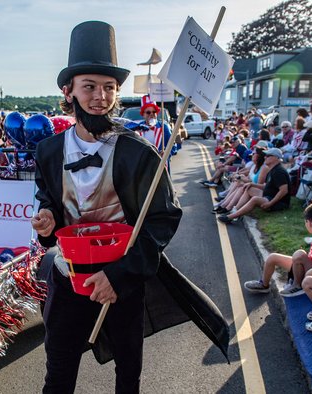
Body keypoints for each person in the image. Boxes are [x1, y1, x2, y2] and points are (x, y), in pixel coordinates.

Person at [32, 21, 227, 393]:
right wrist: (47, 219)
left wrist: (118, 276)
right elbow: (50, 201)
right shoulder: (49, 151)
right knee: (57, 375)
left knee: (128, 377)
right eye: (89, 86)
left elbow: (163, 219)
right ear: (68, 91)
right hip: (68, 276)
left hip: (121, 279)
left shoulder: (139, 153)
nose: (100, 97)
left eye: (108, 88)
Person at [243, 202, 312, 295]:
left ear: (309, 223)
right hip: (307, 267)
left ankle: (296, 286)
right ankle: (264, 285)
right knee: (272, 258)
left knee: (300, 254)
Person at [217, 147, 291, 224]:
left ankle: (231, 217)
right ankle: (234, 210)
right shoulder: (272, 169)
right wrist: (252, 184)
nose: (265, 157)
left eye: (268, 156)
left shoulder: (279, 171)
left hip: (278, 202)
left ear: (276, 158)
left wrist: (270, 203)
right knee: (248, 188)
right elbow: (266, 186)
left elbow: (284, 190)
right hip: (269, 196)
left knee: (255, 199)